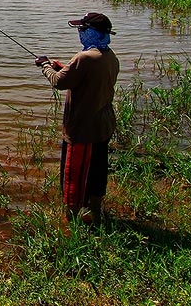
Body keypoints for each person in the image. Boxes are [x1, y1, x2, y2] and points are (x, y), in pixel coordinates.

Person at [34, 12, 120, 225]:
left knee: (74, 174)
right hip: (102, 127)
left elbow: (59, 83)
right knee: (97, 171)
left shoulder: (84, 58)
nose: (80, 34)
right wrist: (63, 68)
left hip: (83, 130)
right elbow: (83, 80)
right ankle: (95, 211)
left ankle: (70, 221)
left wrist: (44, 65)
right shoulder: (109, 57)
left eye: (83, 30)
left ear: (93, 32)